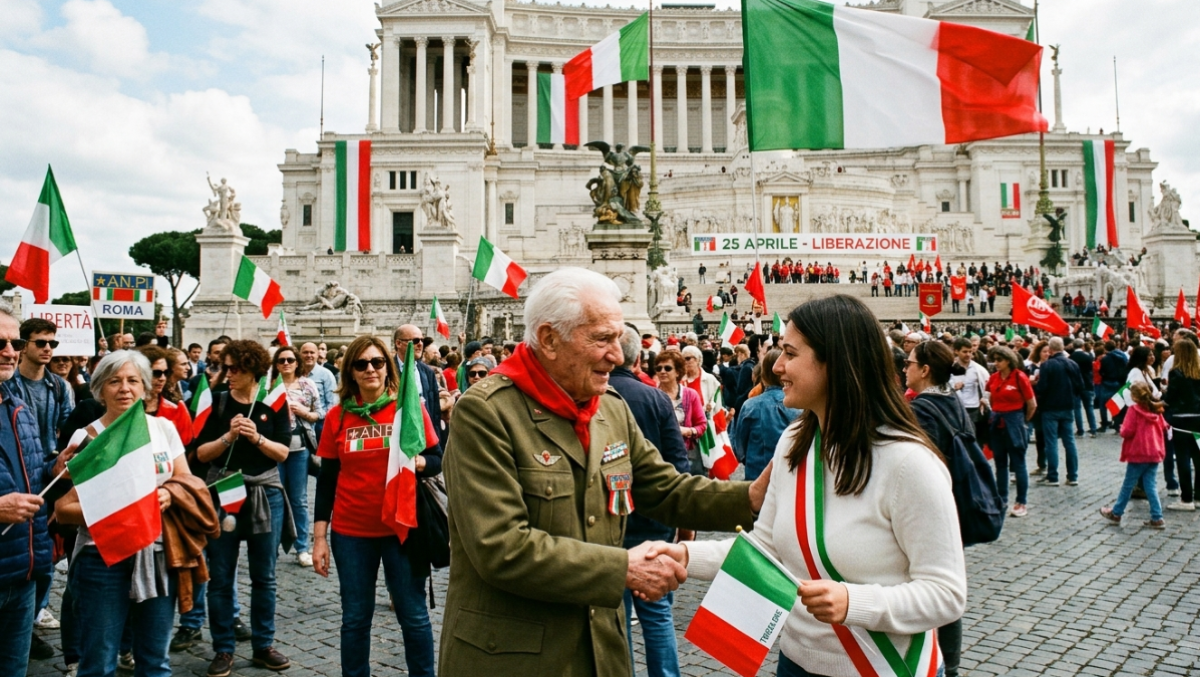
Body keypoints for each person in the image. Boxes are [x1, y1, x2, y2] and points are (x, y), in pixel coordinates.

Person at [438, 267, 770, 677]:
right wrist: (623, 568)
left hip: (600, 651)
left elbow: (663, 488)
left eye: (618, 338)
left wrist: (751, 497)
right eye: (602, 339)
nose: (618, 355)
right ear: (548, 339)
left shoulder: (609, 407)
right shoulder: (486, 413)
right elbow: (501, 547)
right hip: (515, 657)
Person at [659, 295, 966, 677]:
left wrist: (854, 601)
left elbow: (946, 594)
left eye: (790, 353)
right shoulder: (794, 442)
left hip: (884, 668)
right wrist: (684, 556)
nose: (778, 365)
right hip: (796, 663)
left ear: (835, 362)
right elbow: (766, 548)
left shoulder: (910, 464)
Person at [55, 351, 194, 677]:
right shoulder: (86, 437)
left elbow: (186, 483)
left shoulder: (163, 429)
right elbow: (63, 510)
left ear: (146, 387)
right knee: (99, 664)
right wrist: (119, 512)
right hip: (100, 559)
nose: (124, 388)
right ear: (100, 388)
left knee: (155, 662)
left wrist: (167, 492)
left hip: (157, 554)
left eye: (133, 380)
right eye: (114, 381)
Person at [312, 336, 441, 677]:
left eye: (377, 362)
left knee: (413, 615)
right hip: (351, 533)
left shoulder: (408, 409)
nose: (370, 369)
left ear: (388, 368)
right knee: (355, 618)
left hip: (402, 527)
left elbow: (437, 459)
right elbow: (326, 481)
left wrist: (418, 464)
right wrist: (320, 538)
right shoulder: (336, 417)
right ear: (350, 372)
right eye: (361, 364)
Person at [193, 340, 294, 676]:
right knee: (221, 575)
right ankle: (223, 648)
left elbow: (283, 453)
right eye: (225, 367)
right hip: (224, 490)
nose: (228, 374)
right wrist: (228, 438)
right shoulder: (217, 402)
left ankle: (264, 645)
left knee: (264, 576)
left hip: (265, 491)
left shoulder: (274, 403)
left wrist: (256, 438)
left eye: (235, 368)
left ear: (253, 371)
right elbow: (198, 454)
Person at [610, 326, 691, 677]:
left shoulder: (593, 394)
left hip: (609, 519)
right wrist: (684, 517)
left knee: (615, 615)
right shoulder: (655, 398)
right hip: (654, 517)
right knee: (657, 613)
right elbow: (677, 463)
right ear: (638, 358)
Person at [0, 305, 69, 675]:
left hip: (23, 573)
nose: (9, 351)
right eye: (0, 342)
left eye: (13, 342)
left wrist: (55, 468)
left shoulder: (18, 407)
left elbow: (30, 478)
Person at [904, 339, 979, 677]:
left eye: (909, 363)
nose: (905, 368)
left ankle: (938, 664)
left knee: (929, 587)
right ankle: (951, 665)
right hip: (957, 505)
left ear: (924, 370)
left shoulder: (922, 408)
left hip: (931, 509)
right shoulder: (952, 401)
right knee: (944, 583)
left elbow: (921, 464)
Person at [274, 345, 324, 568]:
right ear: (276, 364)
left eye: (290, 360)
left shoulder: (307, 385)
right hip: (273, 447)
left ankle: (302, 547)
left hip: (299, 448)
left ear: (297, 363)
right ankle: (272, 545)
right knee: (275, 498)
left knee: (299, 499)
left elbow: (320, 412)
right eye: (281, 360)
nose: (286, 363)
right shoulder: (268, 386)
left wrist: (305, 413)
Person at [1100, 382, 1168, 528]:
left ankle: (1116, 513)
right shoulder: (1156, 409)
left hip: (1138, 452)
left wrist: (1121, 428)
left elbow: (1127, 432)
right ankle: (1157, 517)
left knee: (1128, 484)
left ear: (1135, 397)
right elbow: (1164, 426)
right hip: (1154, 452)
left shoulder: (1134, 410)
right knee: (1150, 485)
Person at [731, 348, 799, 481]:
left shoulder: (751, 405)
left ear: (764, 373)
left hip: (758, 475)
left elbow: (739, 447)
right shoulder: (802, 405)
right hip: (793, 476)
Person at [987, 346, 1037, 517]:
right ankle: (1001, 499)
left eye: (999, 360)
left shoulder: (1019, 377)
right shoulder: (993, 378)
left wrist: (1024, 421)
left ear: (1008, 360)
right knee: (1000, 464)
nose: (996, 363)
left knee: (1018, 463)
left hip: (1014, 421)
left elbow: (1032, 404)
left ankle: (1021, 502)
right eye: (994, 360)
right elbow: (990, 398)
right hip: (997, 422)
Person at [1034, 338, 1085, 486]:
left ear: (1050, 349)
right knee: (1069, 442)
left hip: (1050, 408)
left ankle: (1053, 476)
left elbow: (1042, 387)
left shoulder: (1047, 365)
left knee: (1051, 443)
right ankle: (1073, 476)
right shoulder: (1073, 363)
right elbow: (1080, 385)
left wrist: (1037, 384)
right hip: (1068, 406)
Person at [655, 351, 707, 475]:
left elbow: (702, 425)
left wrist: (687, 431)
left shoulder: (690, 395)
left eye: (667, 368)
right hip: (659, 456)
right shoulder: (651, 395)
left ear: (678, 372)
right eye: (658, 368)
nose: (662, 371)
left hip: (685, 454)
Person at [393, 326, 445, 449]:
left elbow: (435, 410)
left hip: (426, 438)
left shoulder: (428, 372)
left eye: (422, 340)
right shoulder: (387, 371)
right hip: (399, 439)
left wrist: (435, 440)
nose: (420, 344)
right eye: (415, 341)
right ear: (399, 343)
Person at [1165, 338, 1200, 511]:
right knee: (1199, 457)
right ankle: (1199, 496)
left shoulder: (1176, 372)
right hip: (1199, 418)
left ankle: (1186, 498)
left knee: (1183, 457)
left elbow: (1171, 397)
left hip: (1181, 419)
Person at [136, 346, 195, 447]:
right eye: (156, 373)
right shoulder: (124, 407)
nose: (162, 378)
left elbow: (186, 446)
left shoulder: (177, 409)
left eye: (165, 373)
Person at [1069, 339, 1098, 438]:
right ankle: (1093, 429)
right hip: (1087, 384)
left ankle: (1080, 429)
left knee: (1077, 408)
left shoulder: (1071, 358)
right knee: (1089, 407)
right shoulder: (1088, 357)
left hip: (1075, 386)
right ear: (1083, 346)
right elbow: (1090, 371)